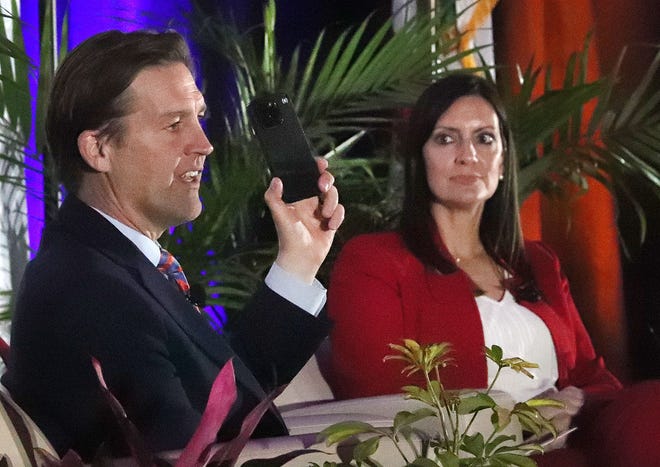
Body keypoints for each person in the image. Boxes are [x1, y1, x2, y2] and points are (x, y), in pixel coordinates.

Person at [1, 29, 344, 461]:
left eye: (198, 117)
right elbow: (190, 453)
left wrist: (298, 260)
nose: (204, 144)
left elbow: (221, 399)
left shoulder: (107, 263)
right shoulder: (88, 288)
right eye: (174, 123)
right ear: (98, 149)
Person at [326, 73, 659, 466]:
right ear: (419, 159)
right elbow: (380, 396)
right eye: (446, 138)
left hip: (577, 439)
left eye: (484, 138)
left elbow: (595, 380)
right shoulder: (375, 260)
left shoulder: (538, 262)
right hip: (476, 455)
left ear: (503, 163)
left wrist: (574, 401)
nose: (468, 154)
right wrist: (517, 421)